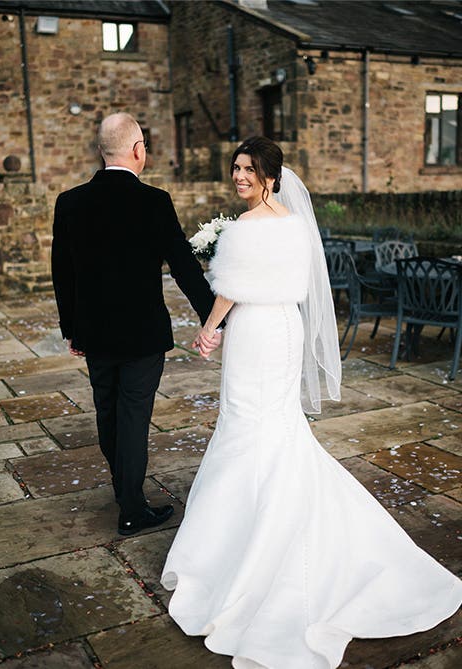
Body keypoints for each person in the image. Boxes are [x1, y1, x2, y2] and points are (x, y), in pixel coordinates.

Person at [162, 136, 462, 668]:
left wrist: (209, 330)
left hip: (256, 330)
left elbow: (229, 288)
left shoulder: (245, 226)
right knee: (275, 425)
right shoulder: (297, 225)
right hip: (285, 327)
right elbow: (294, 282)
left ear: (270, 176)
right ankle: (272, 519)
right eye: (236, 167)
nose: (240, 176)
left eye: (249, 169)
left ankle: (247, 544)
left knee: (246, 425)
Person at [51, 112, 221, 536]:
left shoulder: (70, 202)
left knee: (108, 411)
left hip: (94, 333)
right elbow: (183, 266)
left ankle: (123, 489)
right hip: (142, 334)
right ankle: (131, 508)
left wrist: (71, 327)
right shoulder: (154, 201)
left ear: (101, 152)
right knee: (133, 417)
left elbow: (62, 273)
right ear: (138, 150)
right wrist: (214, 318)